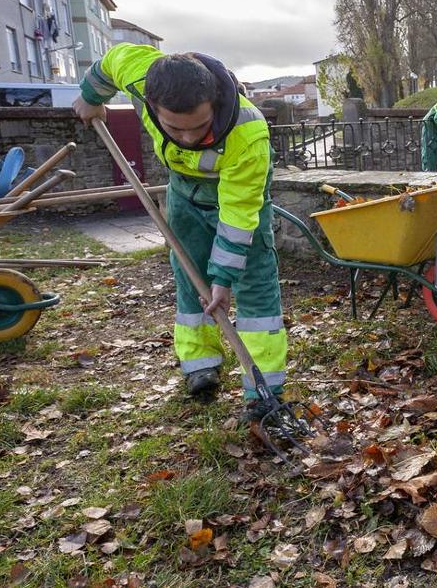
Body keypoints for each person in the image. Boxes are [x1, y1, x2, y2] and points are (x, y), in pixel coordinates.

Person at [72, 44, 288, 425]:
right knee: (190, 277)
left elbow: (238, 214)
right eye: (174, 128)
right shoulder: (140, 74)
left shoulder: (248, 133)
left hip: (237, 199)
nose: (187, 139)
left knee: (254, 290)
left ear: (215, 102)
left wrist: (224, 279)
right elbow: (108, 63)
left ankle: (263, 391)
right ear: (149, 103)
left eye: (199, 127)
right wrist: (92, 98)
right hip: (183, 195)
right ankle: (200, 365)